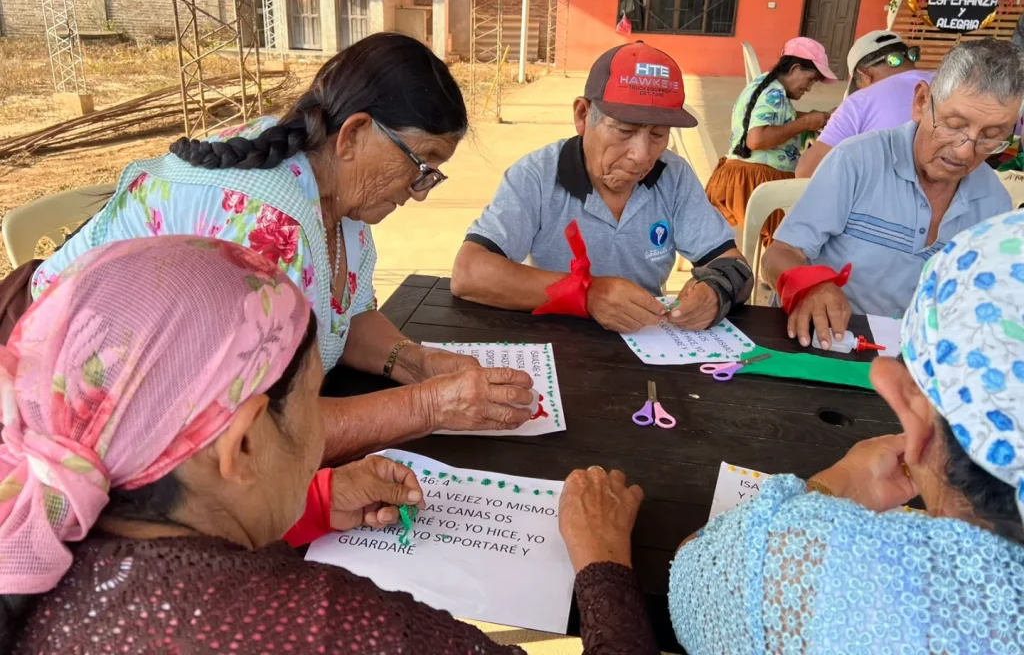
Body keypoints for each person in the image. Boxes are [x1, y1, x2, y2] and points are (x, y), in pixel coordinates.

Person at [0, 236, 658, 655]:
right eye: (313, 400)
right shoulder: (333, 628)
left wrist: (314, 501)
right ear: (243, 446)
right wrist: (603, 568)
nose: (322, 429)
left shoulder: (34, 543)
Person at [5, 33, 536, 462]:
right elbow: (259, 438)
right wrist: (429, 407)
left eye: (432, 175)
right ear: (353, 135)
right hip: (54, 399)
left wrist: (415, 361)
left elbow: (342, 317)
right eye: (420, 165)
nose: (418, 192)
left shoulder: (335, 191)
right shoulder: (264, 226)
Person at [668, 210, 1024, 654]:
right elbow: (770, 256)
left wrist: (840, 482)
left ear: (908, 406)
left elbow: (696, 568)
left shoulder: (799, 564)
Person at [450, 42, 752, 335]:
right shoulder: (537, 176)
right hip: (559, 336)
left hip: (646, 340)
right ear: (583, 115)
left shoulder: (673, 176)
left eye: (658, 135)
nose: (642, 154)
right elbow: (470, 273)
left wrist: (716, 289)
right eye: (625, 131)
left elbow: (732, 263)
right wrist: (586, 293)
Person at [763, 38, 1018, 350]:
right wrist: (812, 287)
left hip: (912, 357)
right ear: (922, 102)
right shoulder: (857, 160)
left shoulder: (993, 202)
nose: (965, 151)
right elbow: (779, 255)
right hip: (827, 343)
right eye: (953, 125)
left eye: (992, 137)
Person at [704, 37, 836, 244]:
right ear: (794, 69)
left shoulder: (768, 86)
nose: (809, 88)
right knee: (796, 234)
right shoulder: (773, 93)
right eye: (810, 79)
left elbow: (781, 119)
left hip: (740, 176)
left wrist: (819, 118)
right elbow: (755, 140)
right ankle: (779, 272)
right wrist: (806, 123)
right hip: (754, 179)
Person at [795, 30, 930, 178]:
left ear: (865, 75)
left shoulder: (861, 101)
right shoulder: (951, 83)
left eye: (860, 85)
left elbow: (806, 171)